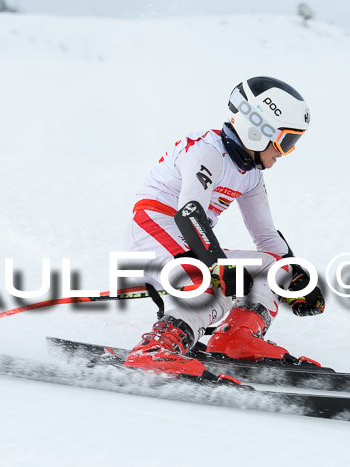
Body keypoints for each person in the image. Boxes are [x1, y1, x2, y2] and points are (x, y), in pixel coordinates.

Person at [122, 76, 325, 379]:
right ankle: (156, 348)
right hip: (152, 229)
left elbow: (267, 236)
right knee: (217, 281)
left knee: (271, 267)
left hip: (188, 239)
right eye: (286, 142)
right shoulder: (206, 150)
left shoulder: (251, 174)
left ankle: (236, 340)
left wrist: (297, 279)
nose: (284, 153)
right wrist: (217, 266)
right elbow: (190, 212)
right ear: (258, 129)